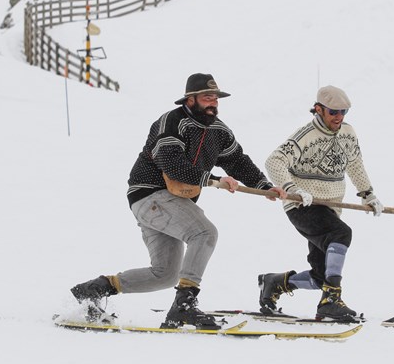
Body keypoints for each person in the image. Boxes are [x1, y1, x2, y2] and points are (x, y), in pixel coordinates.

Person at [70, 73, 286, 329]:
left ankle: (96, 288)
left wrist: (263, 186)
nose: (213, 103)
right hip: (150, 195)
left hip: (169, 204)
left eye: (216, 98)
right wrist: (213, 180)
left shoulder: (219, 130)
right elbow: (171, 164)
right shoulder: (172, 121)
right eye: (207, 97)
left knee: (165, 274)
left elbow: (237, 160)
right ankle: (184, 306)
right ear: (190, 99)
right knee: (204, 233)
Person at [258, 85, 383, 321]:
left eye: (343, 112)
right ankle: (332, 299)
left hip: (330, 209)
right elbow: (274, 161)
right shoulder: (306, 135)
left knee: (320, 275)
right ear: (318, 109)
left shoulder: (348, 132)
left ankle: (274, 283)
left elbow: (355, 164)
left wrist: (368, 194)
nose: (339, 117)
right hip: (302, 206)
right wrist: (291, 188)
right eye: (333, 112)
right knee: (341, 234)